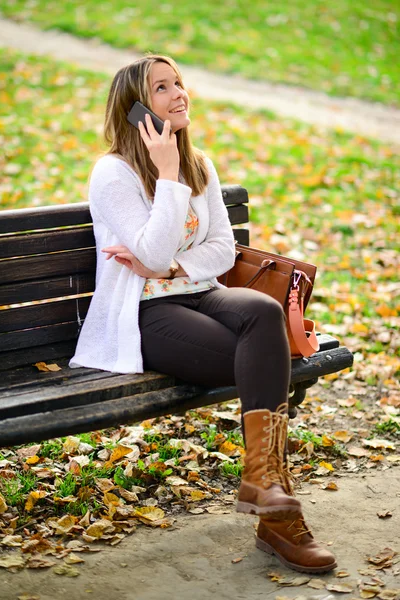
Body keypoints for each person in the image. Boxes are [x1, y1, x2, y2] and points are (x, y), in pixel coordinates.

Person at [69, 54, 336, 574]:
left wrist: (168, 266)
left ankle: (268, 489)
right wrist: (166, 178)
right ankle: (277, 515)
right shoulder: (113, 174)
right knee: (262, 355)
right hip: (142, 314)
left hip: (196, 292)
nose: (179, 94)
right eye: (162, 88)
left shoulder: (201, 164)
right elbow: (145, 256)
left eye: (179, 83)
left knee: (261, 310)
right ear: (136, 109)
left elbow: (221, 250)